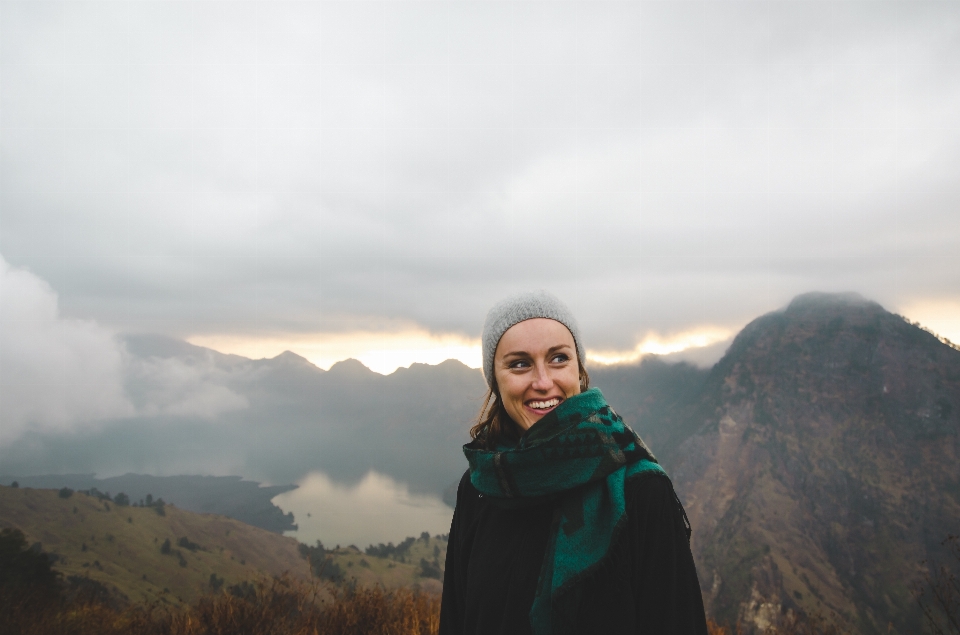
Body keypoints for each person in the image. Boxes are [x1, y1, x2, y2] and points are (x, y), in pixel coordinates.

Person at [439, 291, 708, 635]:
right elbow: (456, 619)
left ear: (579, 371)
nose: (543, 382)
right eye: (519, 363)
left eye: (558, 359)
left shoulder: (641, 492)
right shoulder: (479, 486)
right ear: (495, 379)